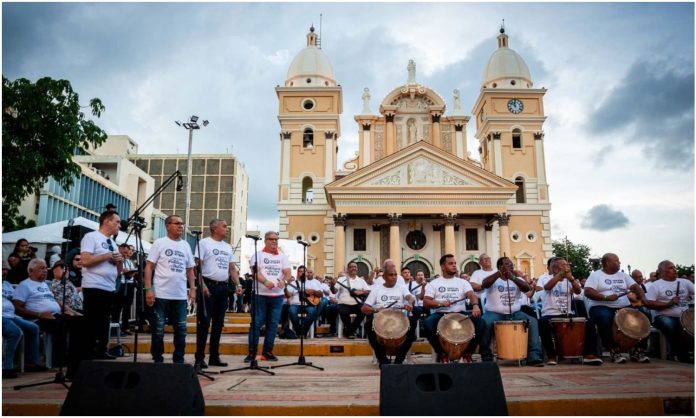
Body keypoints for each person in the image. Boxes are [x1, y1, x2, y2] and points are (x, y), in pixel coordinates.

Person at [13, 259, 87, 379]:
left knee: (81, 322)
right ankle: (59, 361)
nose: (45, 271)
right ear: (31, 271)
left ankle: (78, 359)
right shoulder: (25, 285)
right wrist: (39, 314)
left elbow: (55, 301)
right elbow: (17, 307)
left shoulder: (44, 285)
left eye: (46, 268)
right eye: (41, 268)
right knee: (61, 325)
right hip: (37, 317)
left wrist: (70, 311)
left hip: (55, 314)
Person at [144, 215, 196, 364]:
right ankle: (157, 359)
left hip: (179, 295)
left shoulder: (185, 245)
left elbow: (190, 270)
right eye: (177, 223)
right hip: (161, 293)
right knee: (158, 329)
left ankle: (178, 359)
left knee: (181, 329)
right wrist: (148, 289)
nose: (180, 226)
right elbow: (149, 267)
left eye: (182, 224)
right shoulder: (159, 243)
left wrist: (192, 289)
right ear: (168, 226)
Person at [584, 253, 648, 364]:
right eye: (616, 261)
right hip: (602, 306)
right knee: (604, 317)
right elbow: (588, 291)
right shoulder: (596, 275)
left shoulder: (623, 276)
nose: (619, 263)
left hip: (623, 306)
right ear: (608, 263)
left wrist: (644, 299)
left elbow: (636, 287)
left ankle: (638, 351)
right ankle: (614, 350)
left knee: (642, 315)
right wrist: (605, 297)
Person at [479, 257, 544, 366]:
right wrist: (499, 273)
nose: (511, 266)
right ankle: (486, 356)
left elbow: (526, 289)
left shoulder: (516, 278)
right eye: (508, 264)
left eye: (511, 264)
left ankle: (534, 356)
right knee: (484, 323)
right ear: (500, 266)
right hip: (494, 313)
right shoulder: (493, 277)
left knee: (532, 322)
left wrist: (513, 277)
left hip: (515, 313)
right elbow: (484, 284)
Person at [194, 219, 241, 370]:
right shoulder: (204, 243)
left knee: (218, 323)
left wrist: (238, 284)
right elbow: (197, 266)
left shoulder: (227, 247)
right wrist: (202, 285)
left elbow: (232, 267)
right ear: (214, 228)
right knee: (204, 322)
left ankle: (214, 355)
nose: (227, 229)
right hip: (208, 285)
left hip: (223, 287)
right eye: (224, 226)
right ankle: (199, 357)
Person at [537, 258, 603, 365]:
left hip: (567, 313)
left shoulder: (569, 279)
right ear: (555, 268)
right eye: (564, 265)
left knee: (589, 323)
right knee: (542, 323)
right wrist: (561, 275)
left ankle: (589, 354)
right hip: (550, 314)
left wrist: (571, 280)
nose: (568, 267)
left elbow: (578, 291)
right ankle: (551, 356)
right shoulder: (546, 278)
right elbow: (547, 287)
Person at [423, 254, 482, 363]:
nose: (454, 266)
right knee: (427, 324)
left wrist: (475, 305)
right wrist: (440, 304)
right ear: (443, 267)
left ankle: (467, 353)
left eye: (455, 263)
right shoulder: (434, 283)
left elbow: (471, 294)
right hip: (441, 314)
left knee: (481, 323)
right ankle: (442, 353)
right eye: (450, 263)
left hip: (460, 314)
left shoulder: (463, 282)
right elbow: (426, 302)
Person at [80, 210, 123, 360]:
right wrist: (107, 256)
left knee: (104, 320)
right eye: (117, 222)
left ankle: (101, 349)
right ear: (107, 221)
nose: (119, 225)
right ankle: (88, 352)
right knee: (92, 320)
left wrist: (119, 262)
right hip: (94, 285)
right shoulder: (91, 237)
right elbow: (85, 261)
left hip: (109, 286)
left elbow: (118, 272)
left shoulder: (113, 243)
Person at [245, 231, 290, 362]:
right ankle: (252, 353)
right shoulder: (258, 255)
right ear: (265, 241)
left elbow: (287, 272)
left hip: (277, 296)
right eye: (271, 239)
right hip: (260, 295)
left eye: (276, 239)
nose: (274, 241)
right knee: (256, 324)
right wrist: (265, 282)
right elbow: (255, 272)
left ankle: (268, 352)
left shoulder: (282, 257)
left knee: (273, 325)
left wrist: (285, 282)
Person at [362, 263, 416, 366]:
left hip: (399, 319)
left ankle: (399, 359)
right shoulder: (377, 289)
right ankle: (382, 359)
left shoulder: (401, 287)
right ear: (384, 277)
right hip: (381, 320)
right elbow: (364, 308)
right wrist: (375, 309)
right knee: (368, 325)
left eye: (395, 275)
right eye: (391, 275)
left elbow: (410, 297)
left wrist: (409, 303)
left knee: (412, 323)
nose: (394, 277)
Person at [644, 260, 694, 363]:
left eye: (674, 267)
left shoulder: (685, 282)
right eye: (671, 268)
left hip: (685, 315)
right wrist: (669, 303)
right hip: (663, 316)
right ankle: (683, 356)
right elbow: (649, 303)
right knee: (670, 325)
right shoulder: (656, 285)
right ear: (662, 271)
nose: (675, 270)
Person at [3, 279, 42, 378]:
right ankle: (6, 367)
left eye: (6, 270)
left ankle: (31, 362)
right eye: (2, 269)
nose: (4, 272)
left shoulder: (7, 284)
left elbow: (15, 300)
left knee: (33, 328)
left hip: (11, 315)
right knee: (15, 332)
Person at [330, 261, 370, 339]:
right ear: (348, 269)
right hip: (344, 303)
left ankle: (350, 330)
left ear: (357, 269)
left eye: (355, 267)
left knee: (364, 310)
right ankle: (351, 331)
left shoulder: (361, 281)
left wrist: (361, 292)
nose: (353, 268)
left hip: (357, 303)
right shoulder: (341, 279)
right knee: (343, 311)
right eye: (351, 267)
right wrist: (332, 284)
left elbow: (369, 292)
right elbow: (334, 291)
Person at [285, 265, 324, 337]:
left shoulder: (313, 282)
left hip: (308, 305)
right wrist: (285, 288)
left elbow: (321, 294)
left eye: (303, 271)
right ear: (297, 273)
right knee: (291, 310)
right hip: (296, 305)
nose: (302, 273)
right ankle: (299, 331)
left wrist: (313, 292)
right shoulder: (293, 283)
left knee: (312, 311)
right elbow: (288, 296)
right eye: (300, 271)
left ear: (306, 273)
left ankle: (303, 331)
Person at [111, 244, 135, 335]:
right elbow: (114, 272)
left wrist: (131, 273)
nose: (126, 254)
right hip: (119, 285)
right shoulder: (115, 259)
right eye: (124, 252)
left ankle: (125, 327)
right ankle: (114, 329)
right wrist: (122, 272)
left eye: (127, 252)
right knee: (117, 308)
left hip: (129, 285)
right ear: (119, 249)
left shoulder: (129, 262)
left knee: (127, 307)